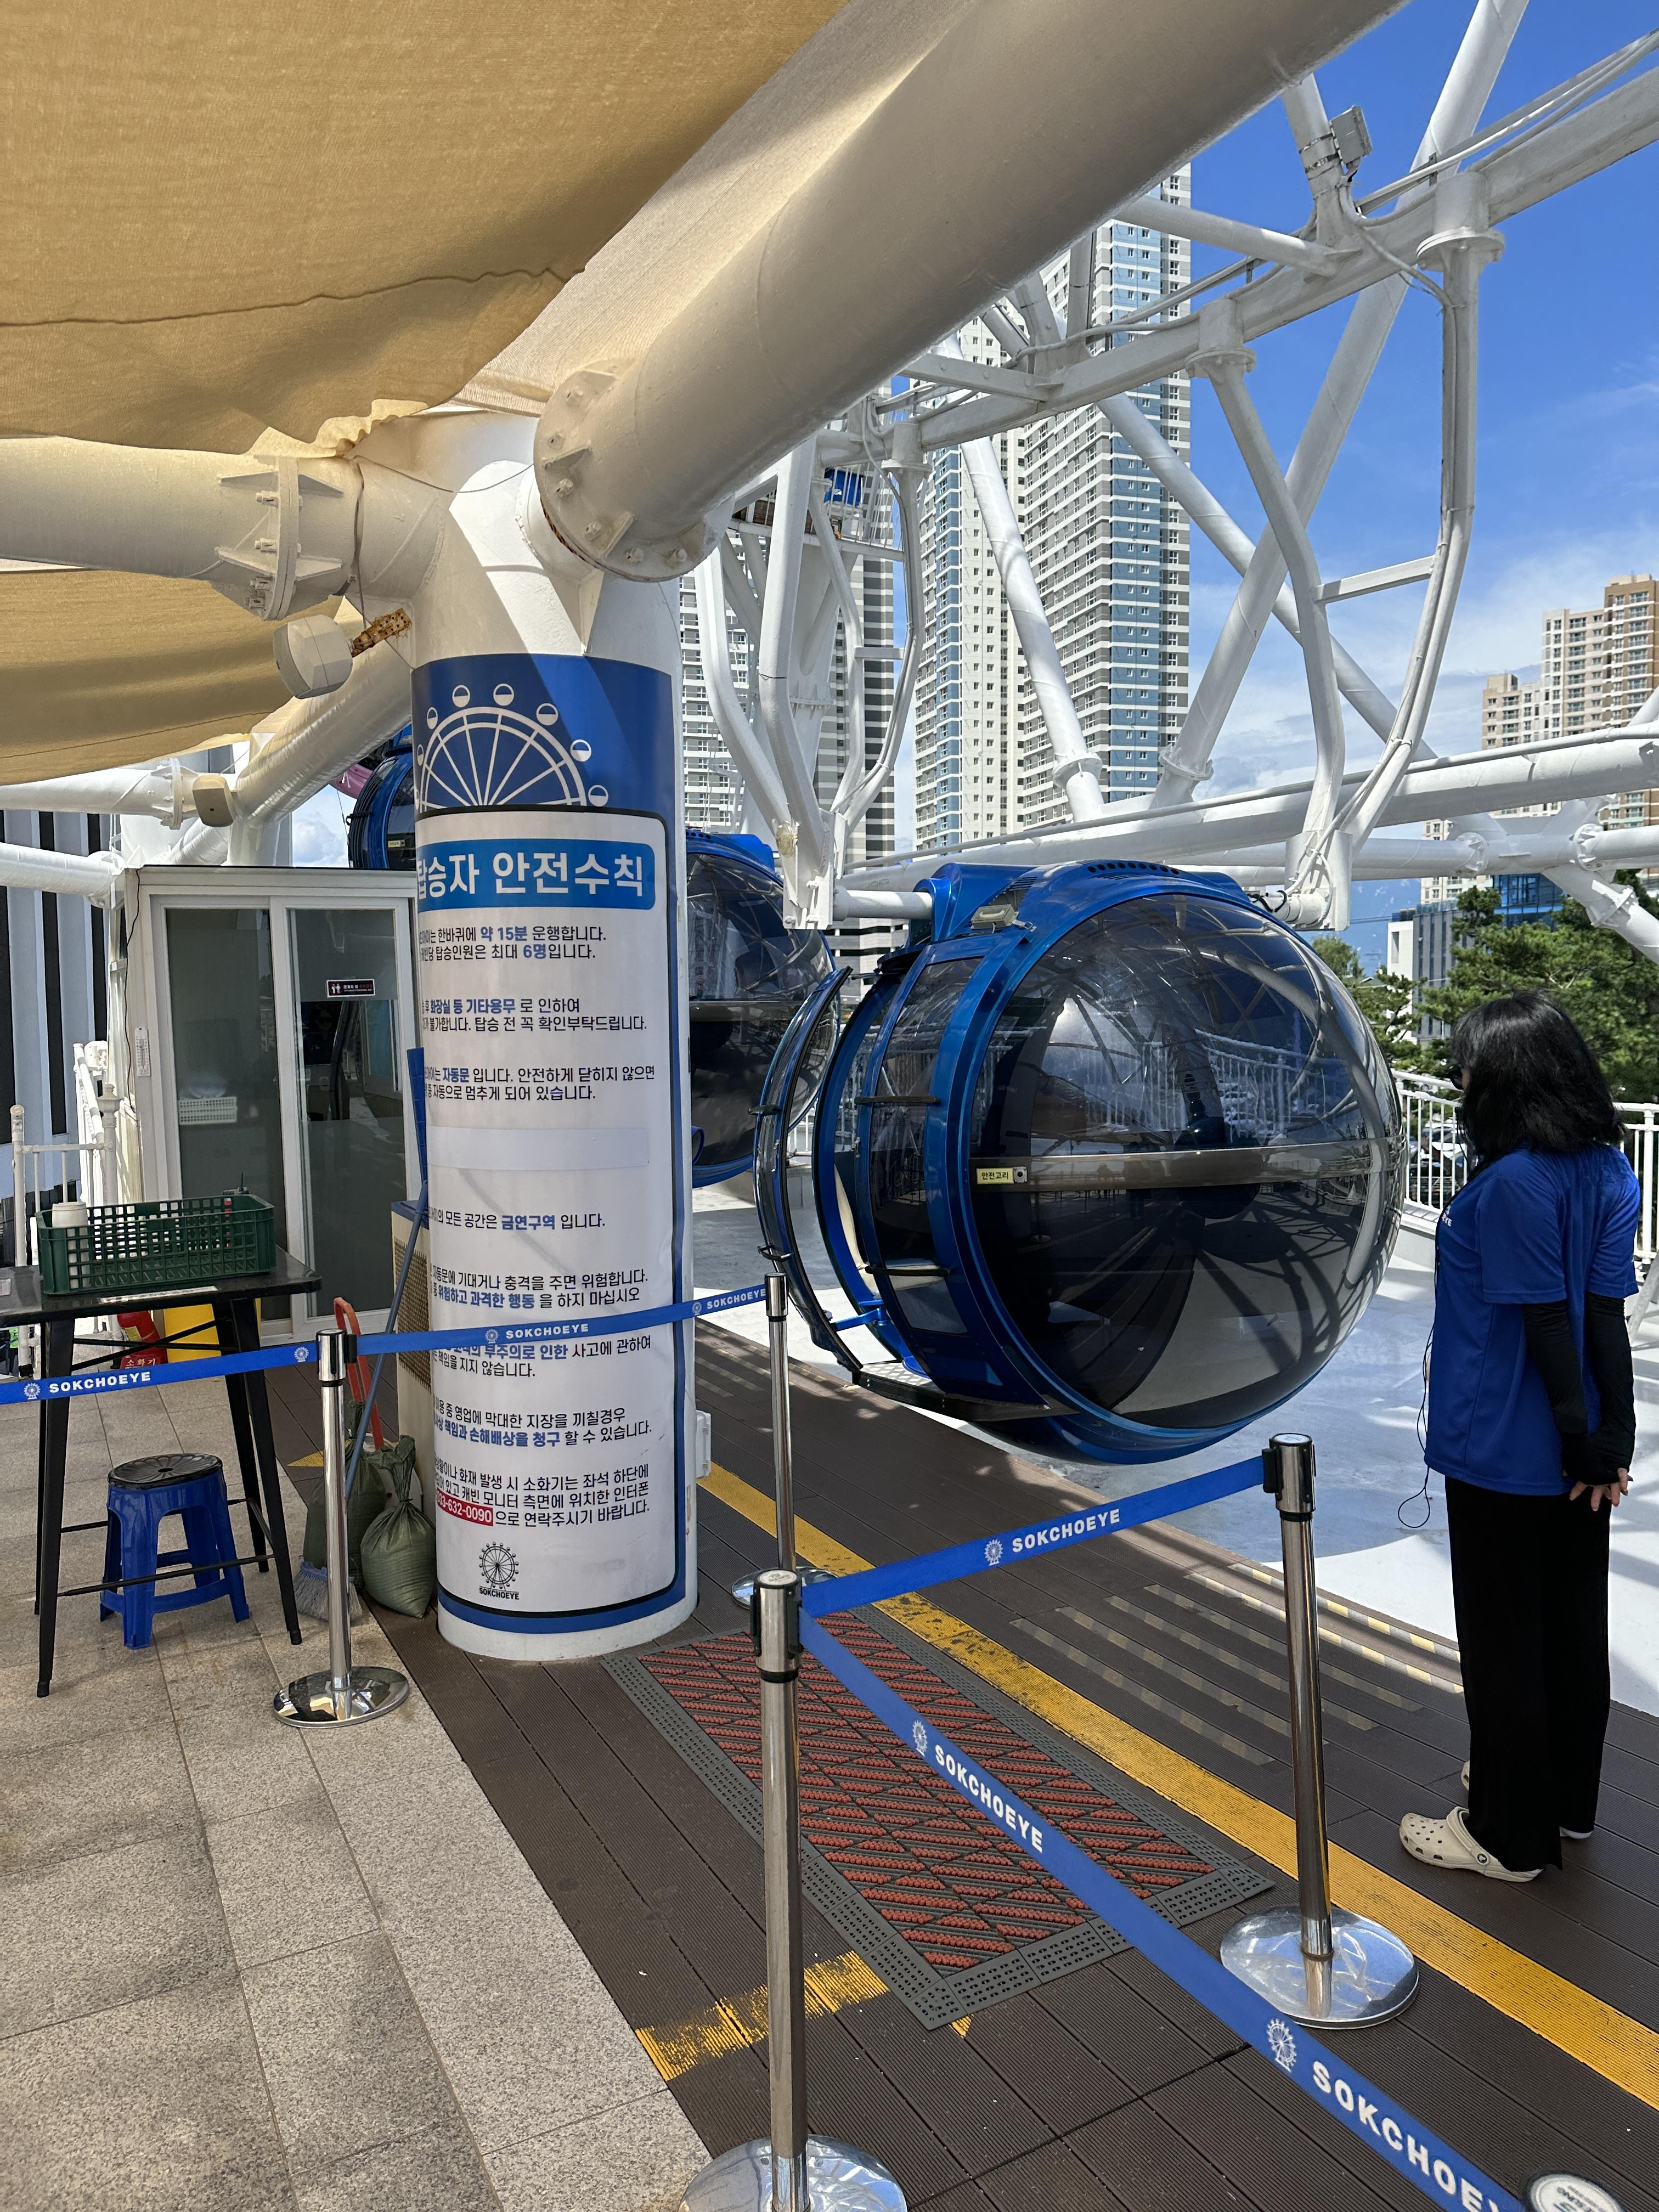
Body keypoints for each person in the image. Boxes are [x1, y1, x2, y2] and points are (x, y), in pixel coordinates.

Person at [1399, 992, 1639, 1883]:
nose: (1460, 1082)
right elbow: (1604, 1316)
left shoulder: (1509, 1185)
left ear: (1503, 1080)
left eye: (1468, 1068)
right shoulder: (1610, 1170)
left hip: (1503, 1443)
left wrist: (1576, 1436)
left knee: (1504, 1642)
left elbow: (1543, 1324)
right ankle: (1566, 1804)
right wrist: (1611, 1438)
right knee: (1574, 1629)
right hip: (1579, 1452)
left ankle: (1505, 1834)